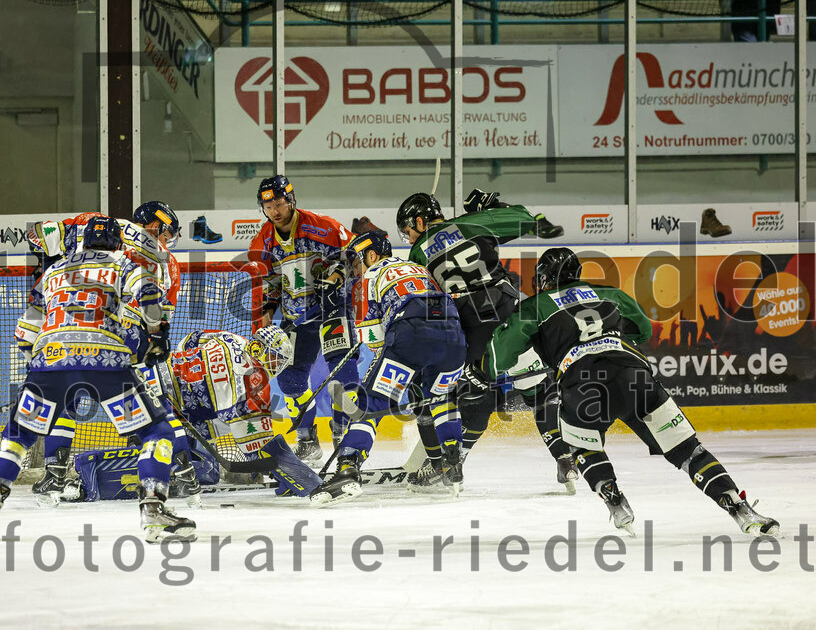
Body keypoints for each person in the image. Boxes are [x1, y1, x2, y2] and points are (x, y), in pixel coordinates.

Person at [484, 247, 780, 537]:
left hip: (583, 385)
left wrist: (482, 368)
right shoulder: (610, 293)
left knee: (584, 445)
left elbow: (502, 353)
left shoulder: (535, 305)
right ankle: (740, 509)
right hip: (633, 376)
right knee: (689, 451)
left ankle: (615, 501)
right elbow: (643, 330)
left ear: (544, 278)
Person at [0, 215, 196, 543]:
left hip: (50, 364)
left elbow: (25, 331)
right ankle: (154, 512)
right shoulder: (124, 266)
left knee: (18, 436)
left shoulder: (53, 271)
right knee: (155, 432)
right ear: (118, 244)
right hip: (107, 365)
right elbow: (148, 296)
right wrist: (158, 334)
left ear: (84, 241)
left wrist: (40, 366)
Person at [396, 189, 576, 492]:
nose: (410, 238)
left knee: (468, 400)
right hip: (510, 315)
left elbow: (422, 299)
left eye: (409, 231)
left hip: (470, 327)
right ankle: (564, 459)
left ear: (419, 220)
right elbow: (525, 218)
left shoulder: (417, 253)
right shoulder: (475, 222)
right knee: (539, 390)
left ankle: (448, 466)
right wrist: (490, 208)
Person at [24, 205, 189, 505]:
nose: (167, 242)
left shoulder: (96, 224)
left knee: (67, 397)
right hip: (130, 337)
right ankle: (181, 473)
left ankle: (54, 474)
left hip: (80, 328)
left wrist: (46, 262)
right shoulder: (170, 263)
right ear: (155, 225)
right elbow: (161, 315)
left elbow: (41, 231)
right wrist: (153, 342)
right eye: (167, 234)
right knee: (153, 408)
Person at [311, 232, 467, 506]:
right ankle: (452, 463)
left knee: (371, 402)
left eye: (357, 261)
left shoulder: (369, 278)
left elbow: (375, 339)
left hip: (411, 330)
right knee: (441, 397)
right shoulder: (419, 268)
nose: (355, 268)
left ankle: (348, 467)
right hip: (454, 333)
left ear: (371, 255)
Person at [248, 176, 360, 465]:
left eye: (279, 203)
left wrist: (337, 275)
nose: (275, 210)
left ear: (291, 200)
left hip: (333, 310)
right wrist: (268, 311)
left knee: (343, 375)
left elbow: (354, 255)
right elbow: (268, 283)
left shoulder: (323, 226)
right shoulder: (263, 240)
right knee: (289, 378)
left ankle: (343, 432)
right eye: (268, 205)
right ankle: (307, 439)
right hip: (297, 317)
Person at [161, 327, 323, 497]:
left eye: (281, 364)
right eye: (274, 359)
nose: (276, 368)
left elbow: (188, 342)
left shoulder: (229, 338)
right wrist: (309, 483)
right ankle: (161, 467)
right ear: (258, 348)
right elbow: (264, 450)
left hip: (156, 377)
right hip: (166, 411)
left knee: (210, 451)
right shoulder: (252, 386)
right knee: (206, 472)